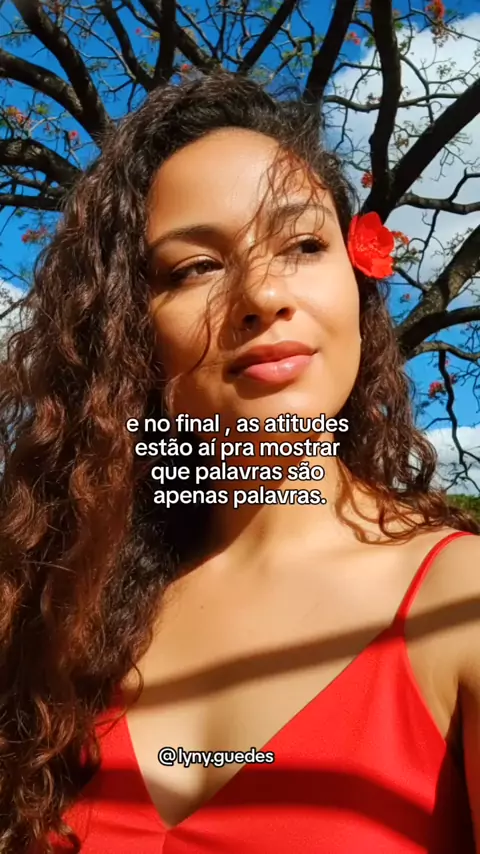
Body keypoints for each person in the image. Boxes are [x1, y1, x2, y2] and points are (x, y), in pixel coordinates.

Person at [0, 69, 479, 854]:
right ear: (128, 333)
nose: (260, 295)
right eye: (195, 268)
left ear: (357, 286)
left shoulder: (462, 605)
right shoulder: (56, 614)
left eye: (303, 245)